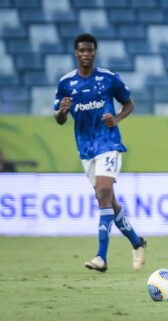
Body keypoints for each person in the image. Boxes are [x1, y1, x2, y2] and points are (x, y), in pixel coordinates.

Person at [53, 33, 146, 272]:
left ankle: (101, 257)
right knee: (108, 200)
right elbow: (60, 119)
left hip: (109, 143)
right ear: (76, 53)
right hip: (86, 148)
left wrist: (116, 118)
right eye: (81, 50)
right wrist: (62, 112)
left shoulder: (108, 79)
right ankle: (137, 242)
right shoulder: (66, 83)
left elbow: (129, 104)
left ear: (95, 52)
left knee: (104, 192)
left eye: (90, 50)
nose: (86, 54)